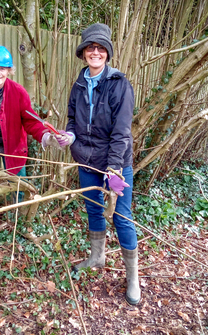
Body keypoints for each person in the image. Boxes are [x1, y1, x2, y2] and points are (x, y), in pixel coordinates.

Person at [55, 23, 141, 305]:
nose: (95, 52)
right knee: (93, 209)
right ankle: (97, 257)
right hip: (86, 162)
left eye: (100, 48)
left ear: (107, 53)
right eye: (90, 48)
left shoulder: (119, 85)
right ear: (83, 53)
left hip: (115, 165)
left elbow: (122, 132)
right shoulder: (79, 85)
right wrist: (69, 136)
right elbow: (71, 119)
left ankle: (133, 279)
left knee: (122, 217)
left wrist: (115, 168)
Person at [0, 45, 62, 232]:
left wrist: (45, 136)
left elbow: (30, 120)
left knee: (18, 184)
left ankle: (18, 219)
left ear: (9, 71)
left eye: (2, 69)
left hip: (13, 148)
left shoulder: (18, 92)